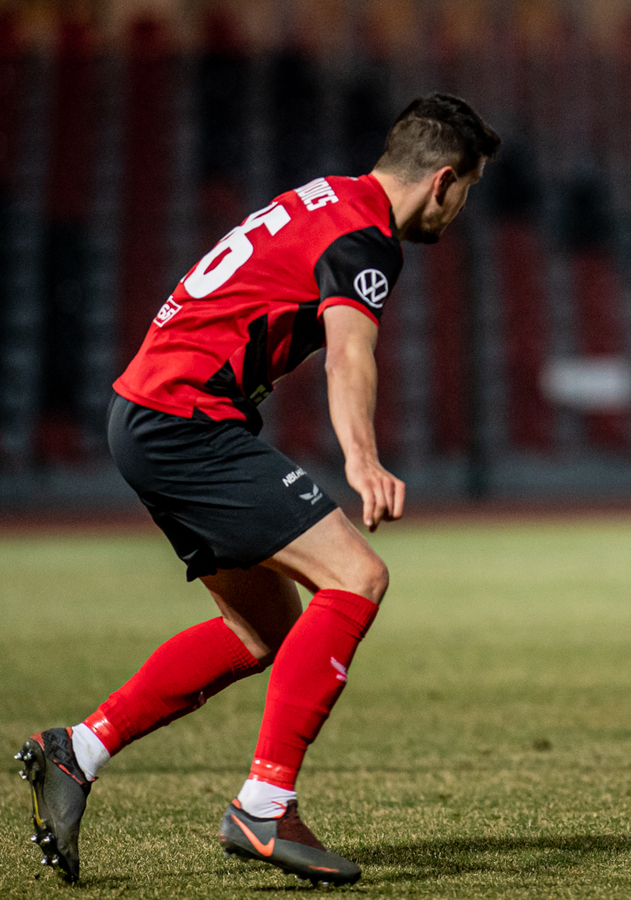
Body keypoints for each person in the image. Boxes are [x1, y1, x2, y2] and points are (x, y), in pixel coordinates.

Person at [15, 94, 498, 885]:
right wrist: (363, 458)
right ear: (444, 180)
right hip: (184, 419)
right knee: (357, 576)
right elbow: (350, 352)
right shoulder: (365, 236)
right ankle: (264, 806)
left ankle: (78, 750)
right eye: (468, 190)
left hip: (149, 413)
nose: (462, 208)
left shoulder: (325, 195)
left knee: (260, 631)